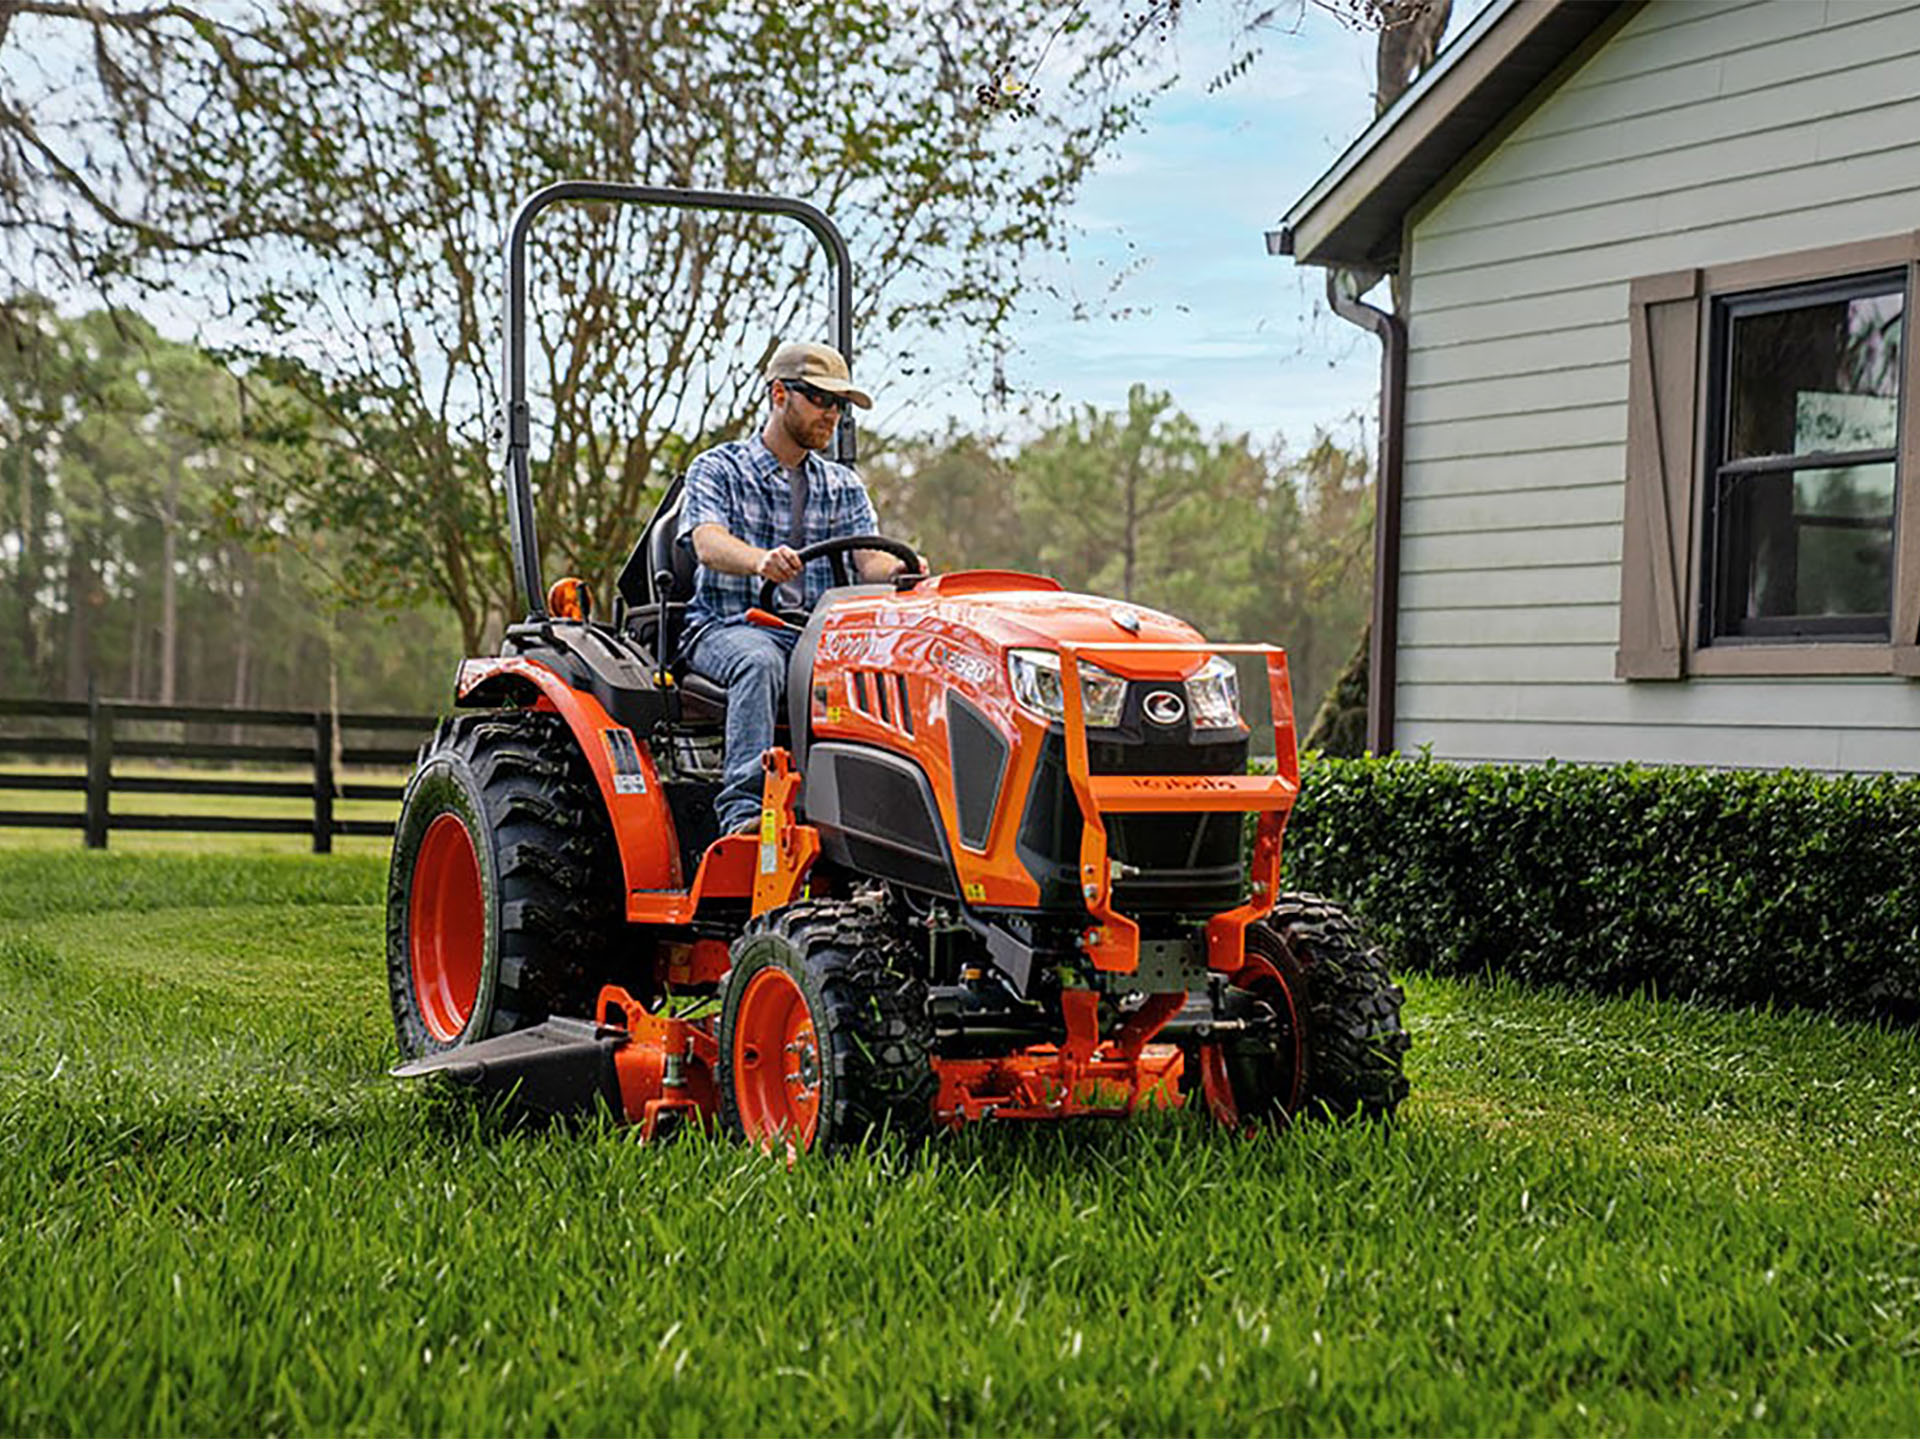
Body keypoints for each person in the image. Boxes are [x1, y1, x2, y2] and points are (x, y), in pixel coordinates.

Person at [676, 340, 911, 835]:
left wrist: (900, 569)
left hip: (814, 636)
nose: (833, 415)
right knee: (760, 662)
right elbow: (708, 542)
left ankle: (875, 819)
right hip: (727, 627)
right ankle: (744, 813)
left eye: (840, 405)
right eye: (821, 399)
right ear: (780, 394)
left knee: (892, 666)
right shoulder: (718, 469)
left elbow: (867, 560)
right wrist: (759, 561)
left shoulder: (842, 485)